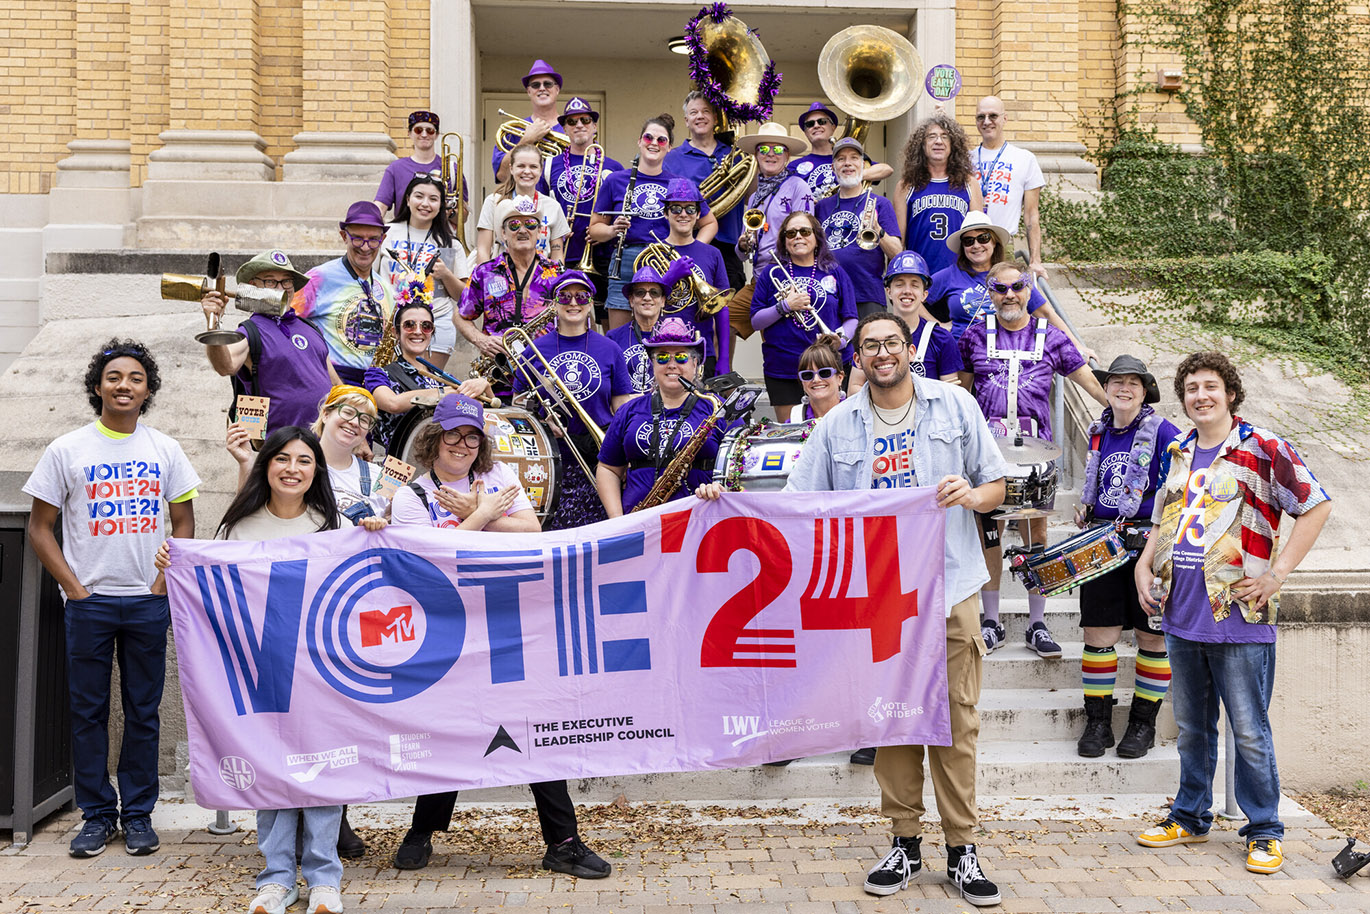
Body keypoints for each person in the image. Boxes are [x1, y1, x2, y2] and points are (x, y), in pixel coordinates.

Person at [746, 311, 1012, 907]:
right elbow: (797, 504)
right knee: (892, 717)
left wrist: (971, 496)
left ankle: (963, 847)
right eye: (870, 346)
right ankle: (904, 842)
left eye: (892, 342)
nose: (883, 352)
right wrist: (723, 502)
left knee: (956, 719)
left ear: (908, 347)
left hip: (951, 586)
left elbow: (996, 484)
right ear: (857, 358)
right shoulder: (837, 426)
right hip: (878, 599)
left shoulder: (954, 406)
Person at [158, 426, 383, 914]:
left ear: (316, 471)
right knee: (273, 771)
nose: (292, 469)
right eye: (282, 459)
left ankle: (325, 878)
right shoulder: (240, 528)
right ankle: (276, 878)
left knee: (327, 771)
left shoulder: (335, 524)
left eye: (304, 461)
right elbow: (212, 588)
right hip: (261, 674)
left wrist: (370, 537)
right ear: (267, 465)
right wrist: (173, 562)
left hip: (323, 673)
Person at [386, 393, 610, 880]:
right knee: (448, 728)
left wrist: (480, 507)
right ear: (433, 438)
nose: (463, 444)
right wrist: (483, 514)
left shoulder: (499, 478)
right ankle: (421, 831)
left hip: (506, 623)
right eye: (453, 434)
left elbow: (531, 531)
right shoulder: (411, 496)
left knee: (531, 725)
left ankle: (564, 842)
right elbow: (430, 561)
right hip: (446, 630)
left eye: (472, 436)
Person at [1133, 352, 1330, 876]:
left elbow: (1315, 504)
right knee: (1194, 728)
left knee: (1249, 730)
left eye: (1210, 386)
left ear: (1231, 394)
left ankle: (1264, 828)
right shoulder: (1178, 449)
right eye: (1191, 388)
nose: (1201, 396)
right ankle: (1190, 815)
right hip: (1182, 612)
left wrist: (1277, 574)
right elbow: (1162, 519)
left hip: (1240, 616)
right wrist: (1142, 568)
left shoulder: (1264, 447)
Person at [24, 339, 199, 859]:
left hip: (148, 600)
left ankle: (139, 815)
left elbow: (185, 522)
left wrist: (163, 583)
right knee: (88, 711)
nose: (125, 385)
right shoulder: (66, 449)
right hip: (89, 603)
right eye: (114, 377)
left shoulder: (165, 449)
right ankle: (97, 815)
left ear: (148, 390)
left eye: (136, 378)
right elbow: (39, 529)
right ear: (97, 385)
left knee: (143, 712)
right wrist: (75, 589)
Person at [958, 262, 1107, 658]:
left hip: (1036, 454)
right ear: (989, 292)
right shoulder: (973, 336)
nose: (1009, 295)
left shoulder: (1052, 337)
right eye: (1000, 288)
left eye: (1017, 287)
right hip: (988, 455)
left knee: (1036, 536)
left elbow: (1087, 380)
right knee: (989, 534)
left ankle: (1037, 623)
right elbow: (961, 393)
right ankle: (991, 621)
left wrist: (1120, 412)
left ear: (1029, 290)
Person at [1074, 356, 1182, 759]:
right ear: (1107, 388)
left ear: (1144, 391)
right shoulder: (1098, 431)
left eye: (1132, 383)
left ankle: (1142, 725)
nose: (1123, 388)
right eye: (1116, 381)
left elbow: (1180, 487)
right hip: (1102, 543)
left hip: (1149, 544)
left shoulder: (1163, 431)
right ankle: (1098, 723)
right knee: (1097, 634)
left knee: (1152, 636)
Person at [511, 271, 632, 529]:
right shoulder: (534, 350)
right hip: (551, 462)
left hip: (599, 461)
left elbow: (622, 408)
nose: (573, 303)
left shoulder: (610, 348)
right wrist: (542, 424)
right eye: (564, 297)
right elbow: (518, 407)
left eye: (581, 296)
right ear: (554, 304)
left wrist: (624, 454)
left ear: (590, 304)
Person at [588, 114, 718, 329]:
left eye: (661, 140)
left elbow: (709, 223)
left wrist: (691, 251)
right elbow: (594, 230)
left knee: (664, 334)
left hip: (665, 260)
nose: (654, 144)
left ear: (669, 147)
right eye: (648, 138)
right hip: (625, 260)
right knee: (621, 336)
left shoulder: (680, 184)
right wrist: (613, 230)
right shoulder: (616, 180)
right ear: (639, 141)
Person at [597, 317, 729, 515]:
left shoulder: (717, 408)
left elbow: (742, 463)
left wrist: (723, 490)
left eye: (682, 357)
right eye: (663, 357)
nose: (672, 364)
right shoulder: (630, 410)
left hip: (701, 521)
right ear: (652, 364)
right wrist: (617, 520)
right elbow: (608, 468)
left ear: (695, 363)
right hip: (638, 522)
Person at [200, 250, 341, 432]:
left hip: (325, 444)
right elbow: (225, 366)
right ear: (253, 287)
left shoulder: (310, 327)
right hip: (281, 448)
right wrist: (213, 326)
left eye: (286, 281)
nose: (281, 288)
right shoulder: (250, 331)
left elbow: (336, 385)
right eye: (271, 281)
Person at [927, 212, 1092, 358]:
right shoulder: (949, 275)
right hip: (962, 356)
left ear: (994, 242)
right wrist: (938, 326)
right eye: (969, 241)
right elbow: (915, 297)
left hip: (1003, 357)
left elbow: (1046, 313)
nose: (976, 245)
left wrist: (1076, 345)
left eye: (983, 238)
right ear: (963, 247)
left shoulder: (1013, 275)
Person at [749, 211, 857, 422]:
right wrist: (785, 306)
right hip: (784, 368)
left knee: (835, 428)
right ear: (784, 241)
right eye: (791, 233)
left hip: (829, 366)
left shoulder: (834, 271)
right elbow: (755, 321)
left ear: (816, 238)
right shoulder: (771, 273)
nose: (798, 236)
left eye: (805, 231)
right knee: (793, 434)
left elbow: (851, 317)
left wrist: (841, 340)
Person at [456, 198, 563, 396]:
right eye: (514, 225)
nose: (523, 230)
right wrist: (480, 340)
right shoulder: (484, 272)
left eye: (530, 224)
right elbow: (461, 316)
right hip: (497, 376)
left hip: (546, 374)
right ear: (503, 233)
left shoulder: (559, 274)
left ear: (539, 232)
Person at [366, 303, 495, 454]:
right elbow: (392, 403)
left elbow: (487, 418)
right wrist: (445, 393)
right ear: (396, 332)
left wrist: (485, 387)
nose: (418, 331)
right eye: (409, 325)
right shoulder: (378, 375)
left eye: (426, 326)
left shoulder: (445, 379)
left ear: (432, 332)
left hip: (445, 466)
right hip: (400, 466)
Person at [292, 201, 397, 385]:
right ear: (343, 236)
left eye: (373, 239)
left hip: (375, 382)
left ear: (383, 239)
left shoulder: (385, 287)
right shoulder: (318, 278)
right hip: (331, 380)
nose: (365, 247)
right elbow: (286, 322)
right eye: (357, 238)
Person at [731, 122, 814, 347]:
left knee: (782, 341)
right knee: (724, 320)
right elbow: (740, 255)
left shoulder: (798, 186)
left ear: (786, 156)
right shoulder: (755, 197)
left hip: (788, 278)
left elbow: (806, 238)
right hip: (760, 279)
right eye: (764, 149)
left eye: (777, 149)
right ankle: (724, 378)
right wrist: (743, 244)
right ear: (756, 155)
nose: (770, 154)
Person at [383, 173, 470, 371]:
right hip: (390, 323)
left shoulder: (451, 243)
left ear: (441, 206)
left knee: (427, 385)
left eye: (433, 199)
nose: (425, 204)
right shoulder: (386, 233)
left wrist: (447, 275)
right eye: (419, 196)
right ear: (407, 199)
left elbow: (464, 297)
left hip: (436, 323)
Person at [663, 91, 747, 294]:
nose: (700, 116)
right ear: (686, 120)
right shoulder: (672, 158)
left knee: (729, 312)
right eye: (694, 112)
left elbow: (749, 195)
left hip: (729, 246)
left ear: (715, 118)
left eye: (706, 111)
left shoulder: (735, 154)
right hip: (688, 242)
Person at [649, 178, 731, 375]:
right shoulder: (650, 253)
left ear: (698, 215)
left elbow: (721, 309)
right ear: (665, 214)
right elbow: (644, 303)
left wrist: (724, 358)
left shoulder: (712, 254)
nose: (683, 214)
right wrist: (669, 278)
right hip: (661, 347)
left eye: (690, 209)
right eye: (676, 208)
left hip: (702, 349)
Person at [816, 137, 903, 319]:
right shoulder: (821, 207)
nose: (848, 163)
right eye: (841, 159)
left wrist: (878, 229)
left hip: (868, 295)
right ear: (833, 168)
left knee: (870, 347)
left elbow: (897, 253)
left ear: (864, 166)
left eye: (854, 158)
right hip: (829, 295)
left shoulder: (880, 203)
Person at [539, 97, 623, 285]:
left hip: (602, 255)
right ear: (565, 129)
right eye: (572, 121)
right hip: (561, 251)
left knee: (601, 312)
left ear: (594, 126)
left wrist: (606, 232)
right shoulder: (550, 165)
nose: (579, 125)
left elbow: (620, 211)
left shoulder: (614, 168)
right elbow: (540, 208)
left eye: (585, 120)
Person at [896, 115, 983, 278]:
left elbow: (978, 234)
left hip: (961, 276)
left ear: (953, 145)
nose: (938, 141)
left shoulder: (969, 183)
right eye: (931, 136)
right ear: (921, 145)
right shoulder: (906, 185)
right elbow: (898, 241)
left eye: (945, 136)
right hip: (919, 275)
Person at [973, 96, 1047, 278]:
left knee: (1005, 300)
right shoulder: (965, 159)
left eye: (993, 116)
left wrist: (1035, 260)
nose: (987, 122)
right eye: (981, 117)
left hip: (1002, 244)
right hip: (970, 244)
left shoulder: (1024, 159)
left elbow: (1031, 215)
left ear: (1004, 119)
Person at [476, 143, 570, 263]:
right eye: (521, 166)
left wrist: (556, 279)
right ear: (511, 169)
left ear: (541, 170)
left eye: (533, 167)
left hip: (541, 278)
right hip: (501, 277)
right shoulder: (493, 202)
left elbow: (557, 254)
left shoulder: (553, 206)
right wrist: (486, 278)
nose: (527, 171)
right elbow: (483, 250)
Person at [881, 251, 962, 383]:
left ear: (924, 295)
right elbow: (856, 385)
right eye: (899, 284)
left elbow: (950, 396)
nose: (907, 291)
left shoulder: (942, 339)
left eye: (915, 285)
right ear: (889, 292)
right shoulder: (873, 335)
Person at [789, 101, 894, 197]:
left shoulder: (849, 160)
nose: (816, 126)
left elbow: (887, 170)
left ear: (833, 127)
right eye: (810, 124)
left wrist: (850, 177)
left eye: (822, 121)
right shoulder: (794, 166)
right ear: (805, 132)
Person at [607, 262, 677, 394]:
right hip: (626, 409)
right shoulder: (613, 338)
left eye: (654, 293)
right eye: (640, 293)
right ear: (631, 300)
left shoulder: (676, 336)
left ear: (662, 301)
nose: (647, 297)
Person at [493, 59, 566, 182]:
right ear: (528, 91)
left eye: (547, 84)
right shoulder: (514, 130)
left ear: (557, 89)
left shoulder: (572, 128)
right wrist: (526, 140)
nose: (542, 88)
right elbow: (502, 176)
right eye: (535, 85)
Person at [375, 110, 446, 219]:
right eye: (418, 130)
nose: (424, 134)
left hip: (439, 233)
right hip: (403, 232)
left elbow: (463, 216)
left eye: (430, 130)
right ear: (409, 134)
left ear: (436, 135)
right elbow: (381, 206)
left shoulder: (450, 168)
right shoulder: (395, 168)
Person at [796, 337, 846, 420]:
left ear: (840, 378)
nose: (816, 379)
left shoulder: (856, 415)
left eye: (825, 373)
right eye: (808, 375)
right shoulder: (794, 420)